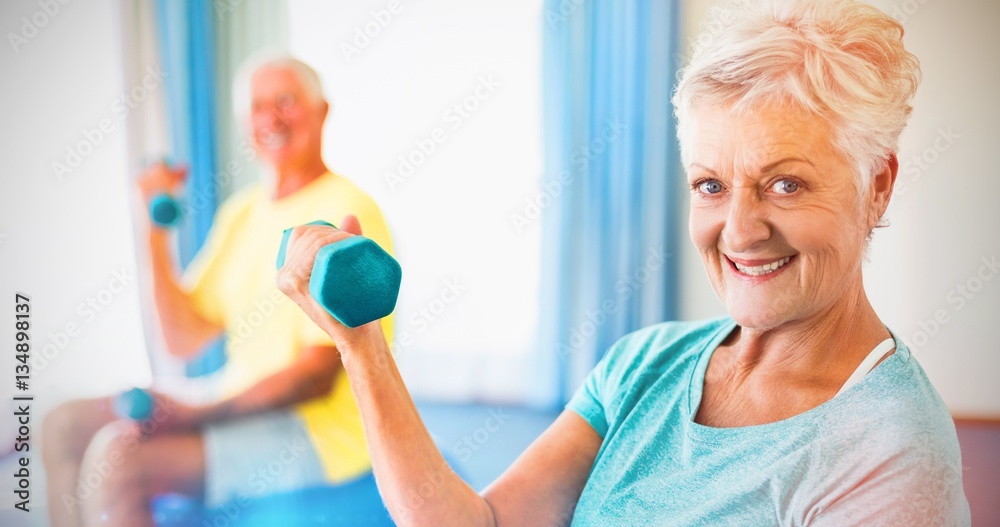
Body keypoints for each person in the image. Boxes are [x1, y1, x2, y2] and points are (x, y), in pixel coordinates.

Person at [277, 1, 970, 525]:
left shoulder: (891, 450)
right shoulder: (647, 362)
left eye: (785, 183)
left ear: (877, 181)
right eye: (711, 185)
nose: (740, 230)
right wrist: (361, 346)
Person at [41, 56, 394, 526]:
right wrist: (152, 230)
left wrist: (196, 413)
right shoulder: (241, 215)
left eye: (285, 101)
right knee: (61, 426)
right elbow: (182, 338)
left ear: (321, 111)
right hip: (235, 397)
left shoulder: (349, 209)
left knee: (117, 462)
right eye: (257, 107)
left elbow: (315, 376)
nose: (271, 118)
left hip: (320, 431)